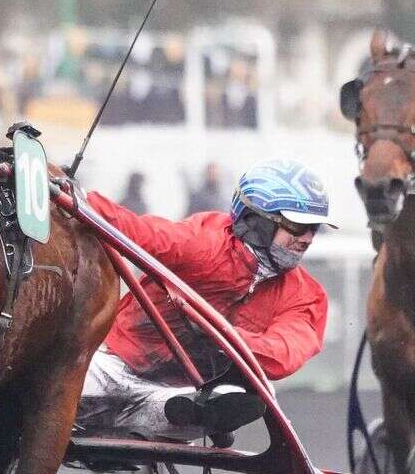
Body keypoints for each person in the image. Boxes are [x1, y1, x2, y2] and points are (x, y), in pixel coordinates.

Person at [76, 158, 332, 443]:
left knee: (246, 395)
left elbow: (286, 352)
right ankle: (134, 413)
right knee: (51, 387)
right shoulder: (204, 243)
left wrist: (223, 335)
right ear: (256, 221)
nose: (308, 238)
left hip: (182, 392)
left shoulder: (306, 294)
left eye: (315, 228)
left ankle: (164, 414)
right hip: (115, 365)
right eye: (298, 226)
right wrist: (74, 194)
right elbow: (133, 228)